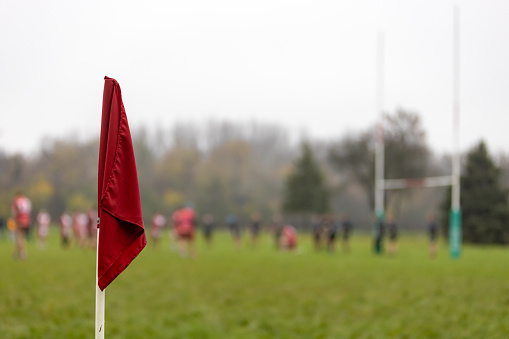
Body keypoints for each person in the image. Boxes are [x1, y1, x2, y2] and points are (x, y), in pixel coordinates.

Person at [11, 191, 32, 259]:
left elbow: (14, 211)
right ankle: (17, 252)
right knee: (22, 236)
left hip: (20, 218)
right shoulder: (26, 200)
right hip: (26, 218)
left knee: (19, 236)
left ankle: (22, 253)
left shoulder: (16, 200)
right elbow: (29, 210)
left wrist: (15, 219)